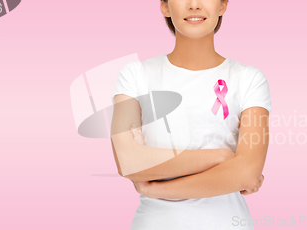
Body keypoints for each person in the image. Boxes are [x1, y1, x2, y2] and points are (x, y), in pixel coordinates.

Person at [110, 0, 272, 229]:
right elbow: (128, 161)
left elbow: (247, 173)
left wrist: (156, 187)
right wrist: (222, 158)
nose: (194, 5)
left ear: (223, 6)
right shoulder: (135, 75)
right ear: (165, 7)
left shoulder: (249, 80)